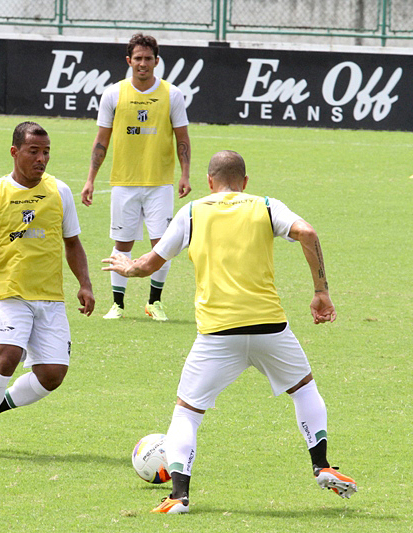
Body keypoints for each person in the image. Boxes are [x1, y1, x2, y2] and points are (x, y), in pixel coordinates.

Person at [103, 150, 357, 513]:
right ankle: (321, 465)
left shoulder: (191, 211)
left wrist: (128, 268)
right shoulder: (266, 206)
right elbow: (307, 232)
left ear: (209, 182)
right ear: (245, 182)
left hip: (218, 335)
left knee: (187, 412)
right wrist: (320, 292)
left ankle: (179, 496)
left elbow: (149, 264)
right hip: (271, 327)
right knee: (303, 389)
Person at [0, 121, 95, 459]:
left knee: (52, 375)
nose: (41, 158)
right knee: (7, 354)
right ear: (15, 152)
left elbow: (73, 243)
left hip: (49, 296)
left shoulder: (60, 192)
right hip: (8, 290)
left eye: (46, 152)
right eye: (34, 151)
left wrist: (86, 284)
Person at [82, 33, 191, 322]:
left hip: (160, 184)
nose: (143, 63)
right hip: (124, 184)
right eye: (138, 58)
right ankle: (118, 304)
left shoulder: (172, 94)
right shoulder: (113, 94)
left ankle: (154, 302)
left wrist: (185, 174)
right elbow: (101, 141)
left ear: (157, 61)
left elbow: (182, 138)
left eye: (148, 58)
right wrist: (91, 178)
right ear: (129, 61)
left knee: (162, 245)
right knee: (123, 244)